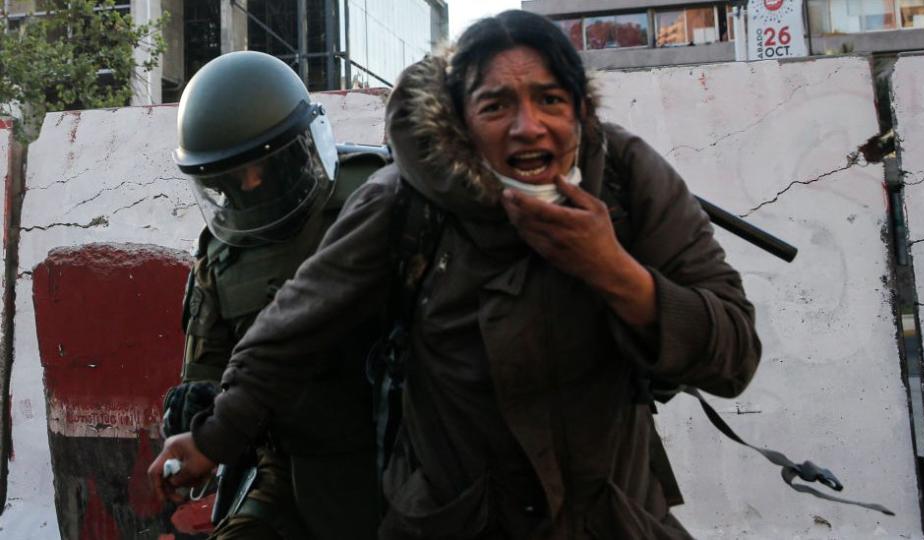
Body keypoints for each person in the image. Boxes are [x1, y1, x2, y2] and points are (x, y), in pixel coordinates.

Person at [150, 10, 761, 539]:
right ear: (460, 120)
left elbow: (733, 354)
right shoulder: (406, 200)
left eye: (550, 98)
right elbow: (288, 330)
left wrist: (615, 272)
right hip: (451, 517)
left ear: (579, 105)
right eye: (496, 105)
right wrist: (211, 438)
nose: (527, 126)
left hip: (612, 518)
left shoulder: (628, 178)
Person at [156, 50, 380, 539]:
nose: (253, 184)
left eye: (266, 167)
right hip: (288, 466)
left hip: (398, 454)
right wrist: (195, 405)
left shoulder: (374, 197)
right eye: (232, 177)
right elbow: (209, 376)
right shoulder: (220, 255)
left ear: (301, 147)